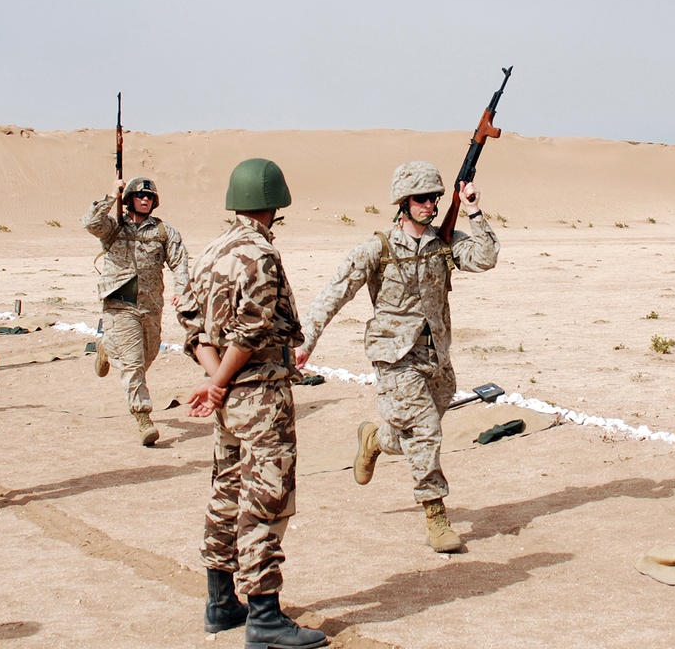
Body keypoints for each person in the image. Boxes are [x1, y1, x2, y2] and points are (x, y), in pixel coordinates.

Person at [296, 161, 499, 553]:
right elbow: (334, 293)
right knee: (426, 432)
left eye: (435, 197)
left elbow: (486, 257)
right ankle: (436, 515)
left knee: (411, 433)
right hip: (394, 358)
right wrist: (306, 342)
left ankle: (374, 438)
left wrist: (472, 208)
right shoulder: (378, 249)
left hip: (436, 357)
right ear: (403, 202)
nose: (431, 204)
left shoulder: (444, 242)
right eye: (422, 198)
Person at [178, 158, 327, 649]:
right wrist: (220, 381)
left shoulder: (208, 252)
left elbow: (191, 323)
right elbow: (252, 330)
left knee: (226, 490)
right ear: (274, 203)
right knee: (266, 499)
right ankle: (264, 615)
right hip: (259, 394)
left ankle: (221, 601)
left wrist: (213, 378)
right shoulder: (259, 255)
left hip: (230, 397)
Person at [83, 176, 189, 446]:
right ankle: (143, 417)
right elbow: (91, 223)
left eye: (149, 196)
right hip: (121, 303)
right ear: (129, 198)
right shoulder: (114, 227)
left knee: (147, 356)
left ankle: (106, 347)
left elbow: (180, 262)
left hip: (150, 305)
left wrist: (182, 289)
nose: (145, 200)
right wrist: (111, 194)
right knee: (133, 364)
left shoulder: (164, 232)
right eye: (140, 195)